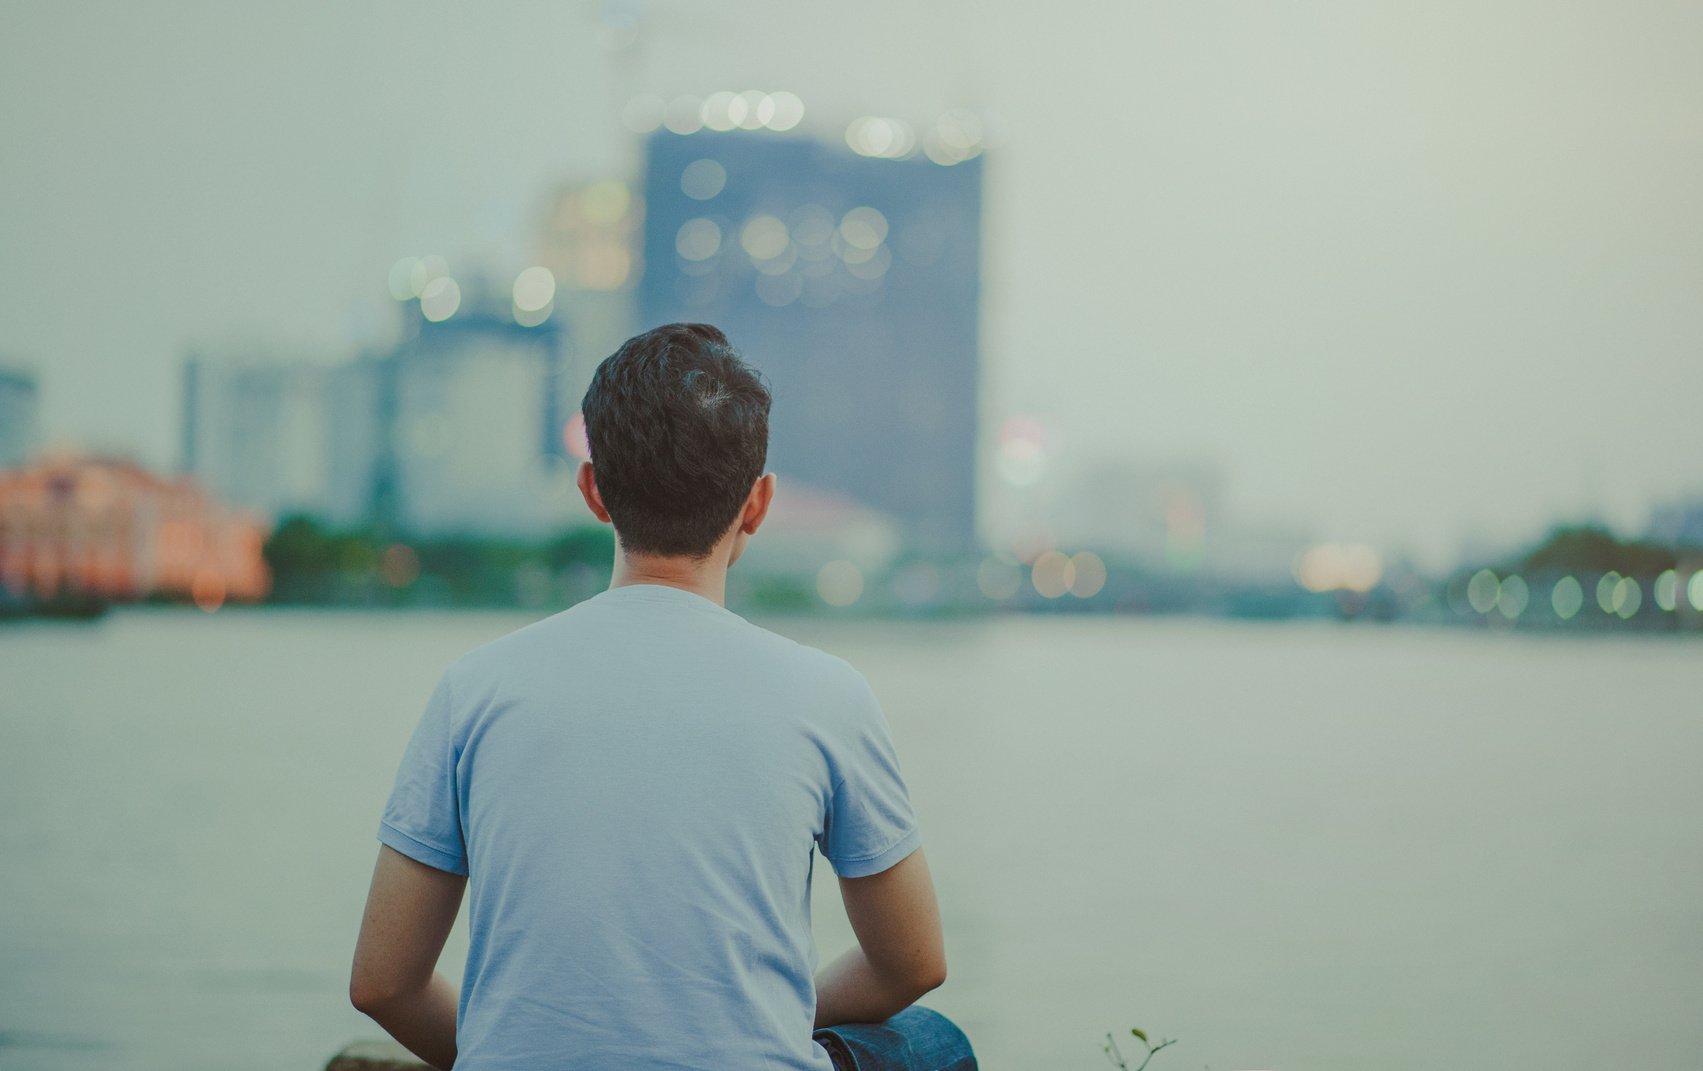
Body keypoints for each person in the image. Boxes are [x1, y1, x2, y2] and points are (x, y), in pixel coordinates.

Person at [349, 323, 976, 1071]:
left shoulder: (474, 687)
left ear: (593, 490)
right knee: (933, 1041)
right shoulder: (826, 694)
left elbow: (383, 983)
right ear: (757, 503)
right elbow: (911, 962)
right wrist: (753, 1012)